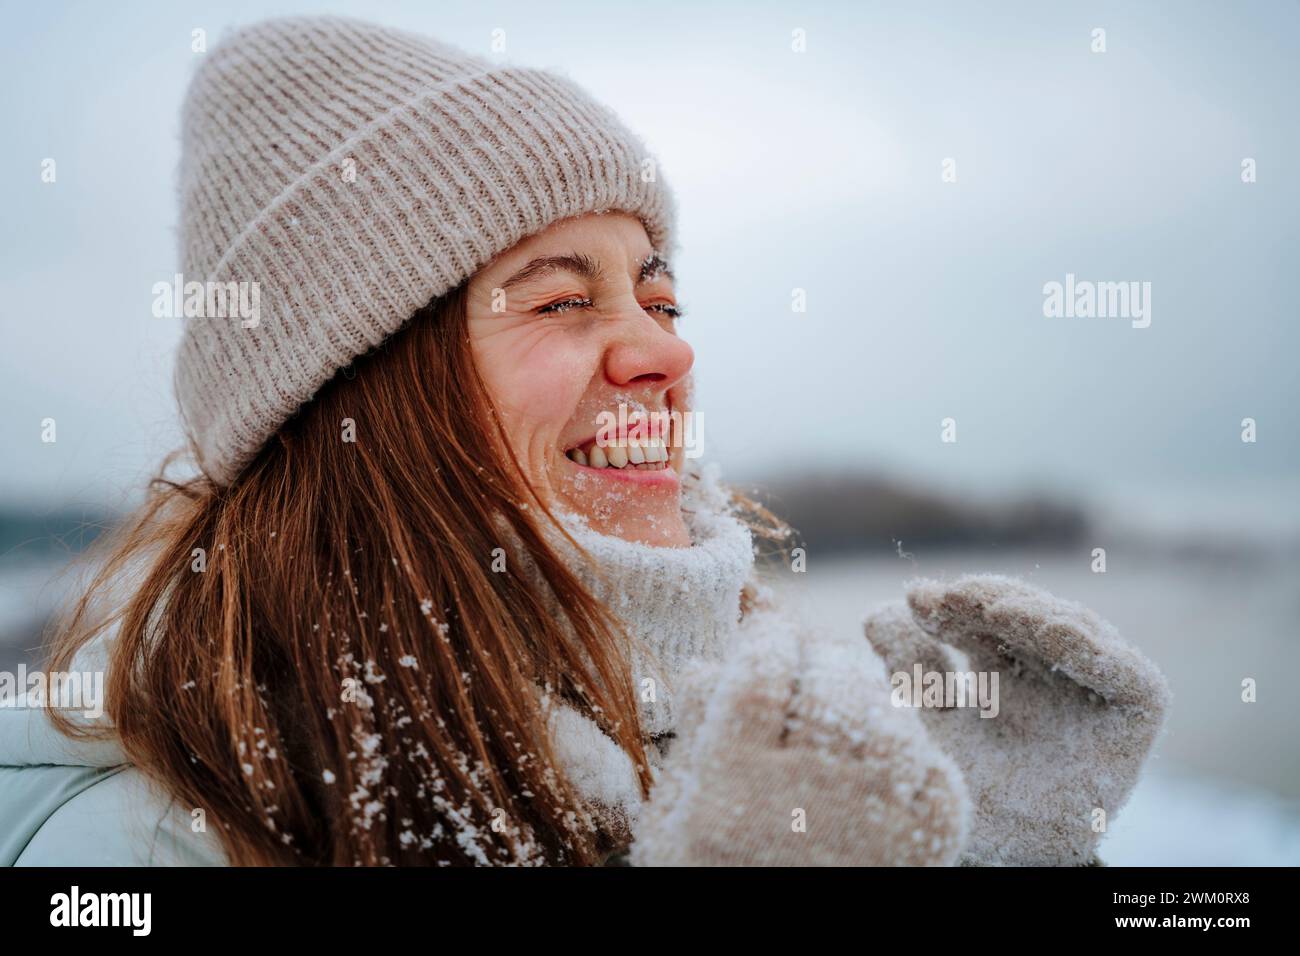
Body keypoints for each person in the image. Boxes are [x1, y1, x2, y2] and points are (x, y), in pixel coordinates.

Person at [0, 16, 1169, 866]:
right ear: (357, 400)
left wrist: (1001, 858)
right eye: (561, 300)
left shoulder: (746, 728)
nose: (664, 355)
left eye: (660, 301)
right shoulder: (150, 841)